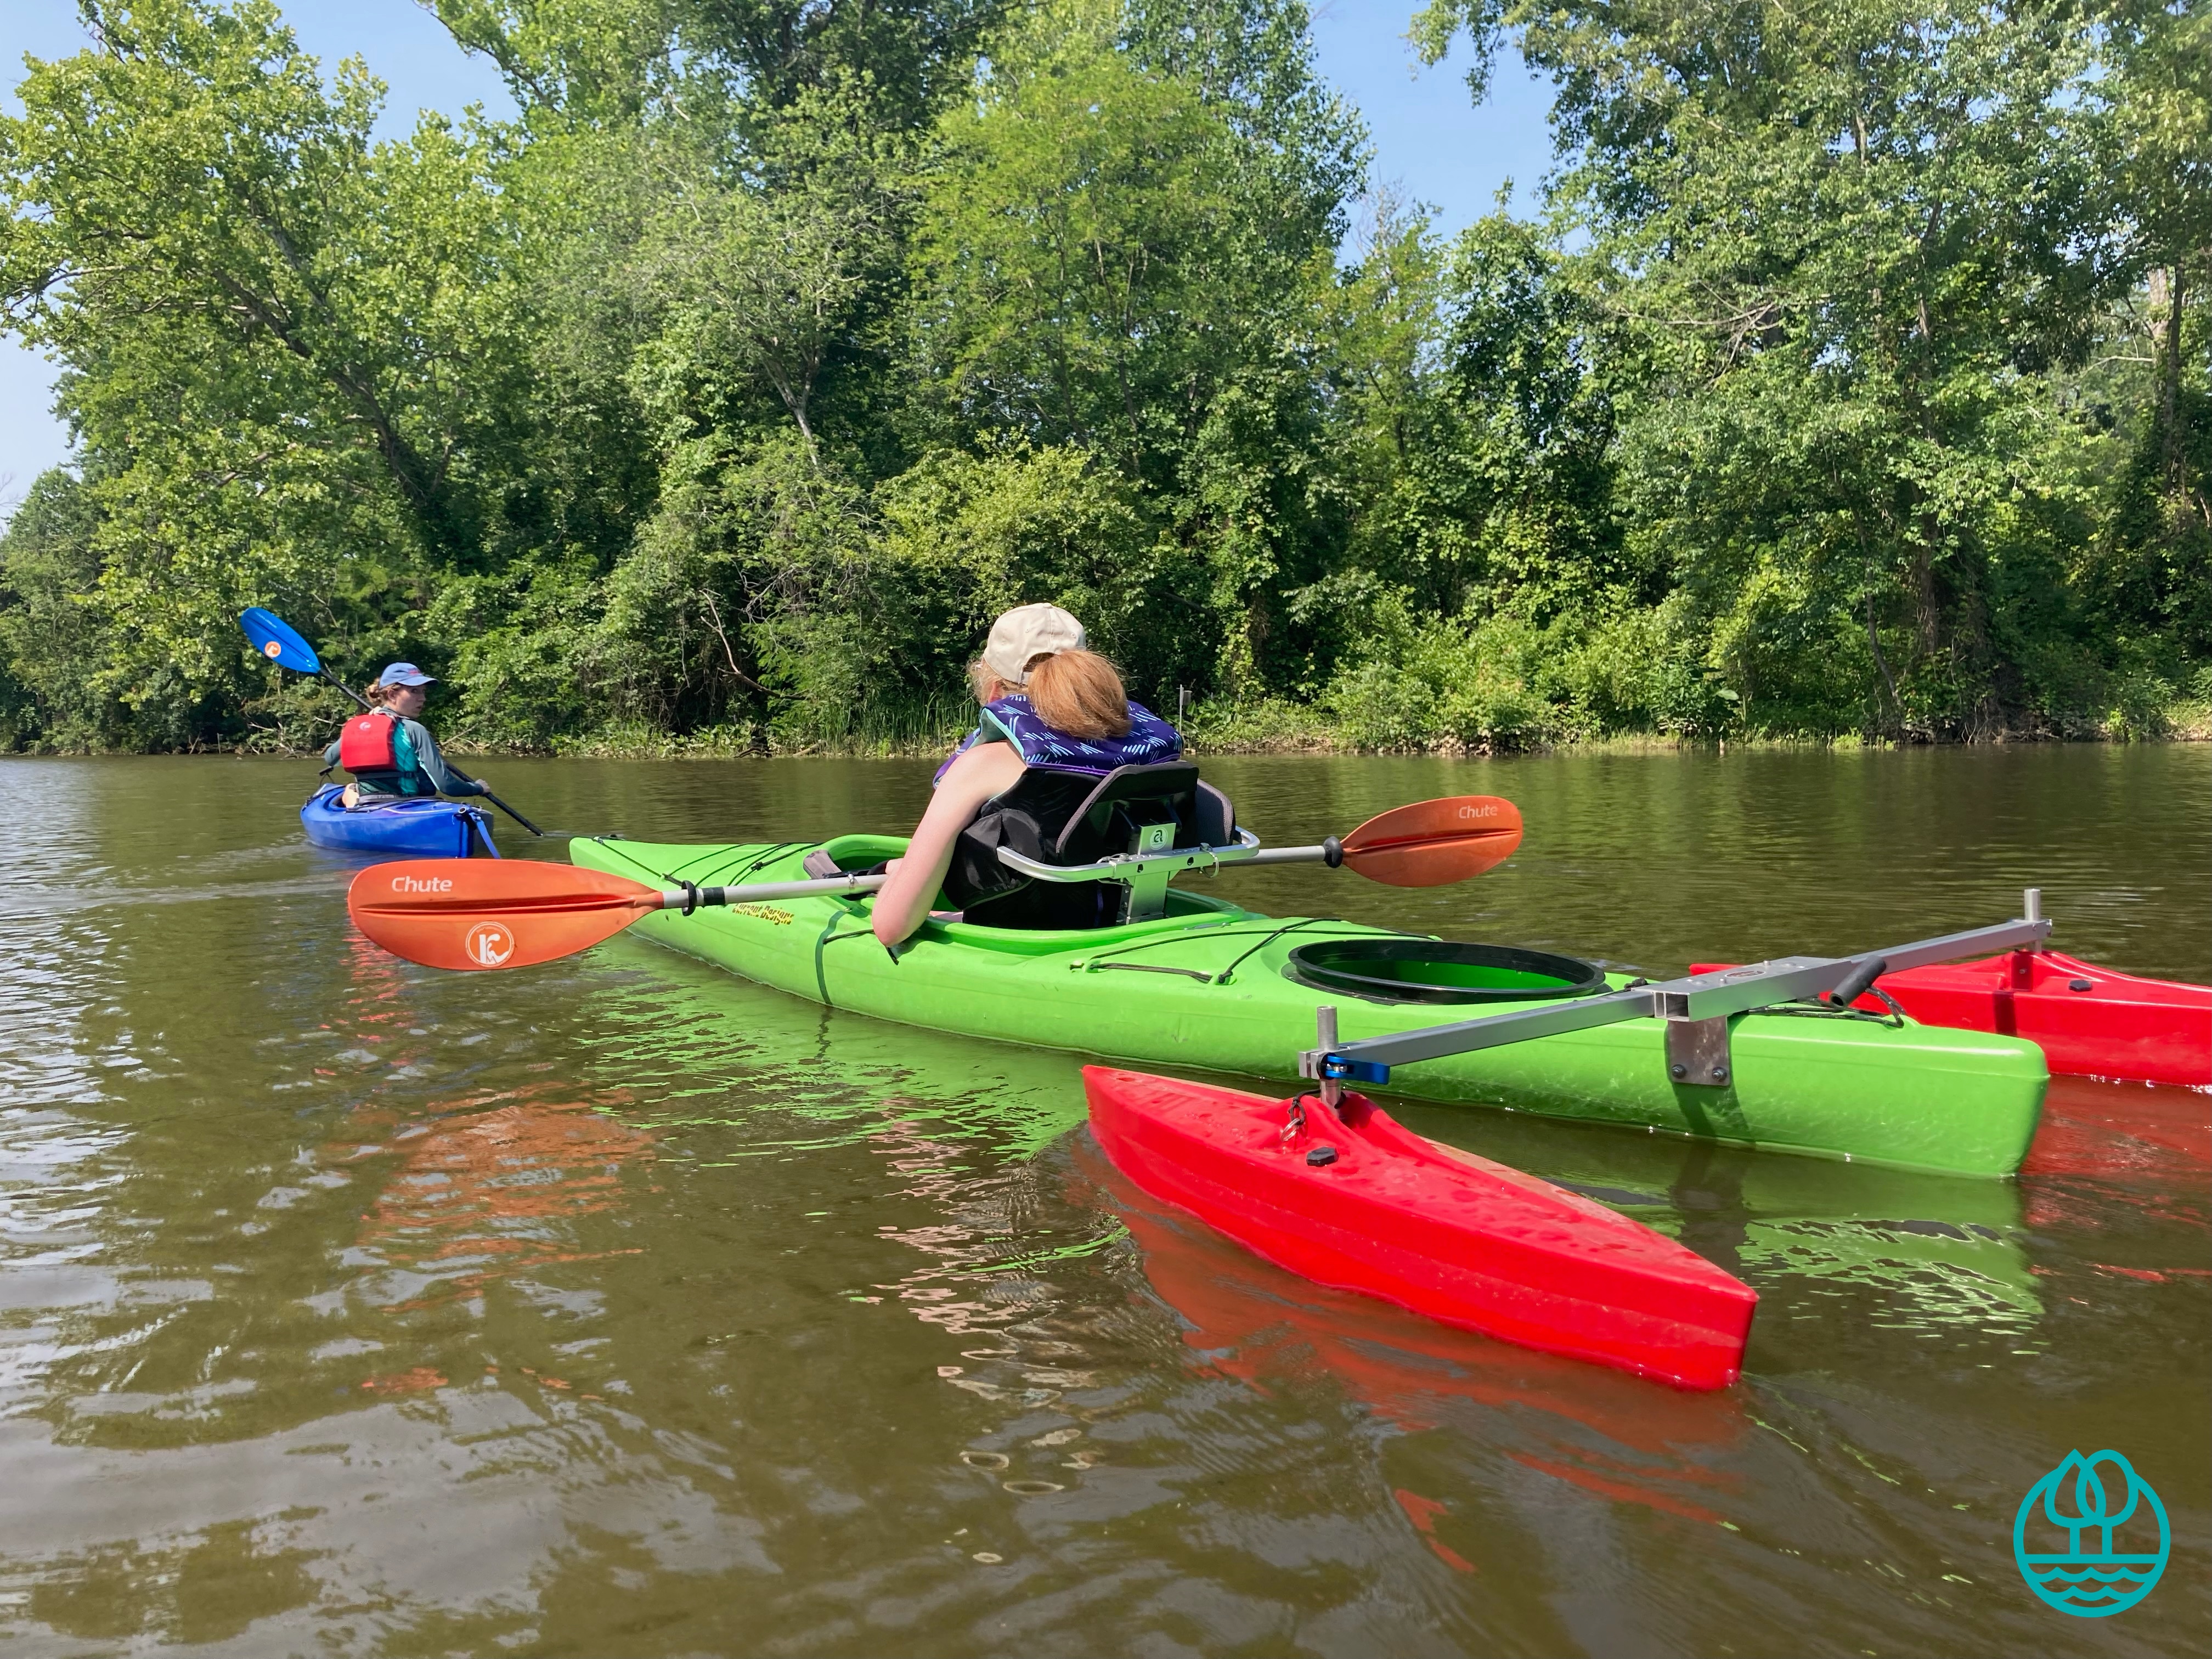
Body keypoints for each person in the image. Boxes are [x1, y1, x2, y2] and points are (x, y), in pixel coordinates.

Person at [871, 604, 1182, 947]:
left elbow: (891, 928)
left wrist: (899, 879)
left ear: (993, 691)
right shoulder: (1146, 756)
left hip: (1028, 943)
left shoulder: (983, 764)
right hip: (1125, 927)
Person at [323, 663, 490, 807]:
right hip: (412, 805)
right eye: (414, 691)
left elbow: (331, 758)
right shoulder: (414, 729)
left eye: (423, 692)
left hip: (368, 805)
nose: (422, 698)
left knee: (351, 789)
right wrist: (477, 788)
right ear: (392, 695)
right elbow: (447, 786)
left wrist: (354, 729)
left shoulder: (359, 725)